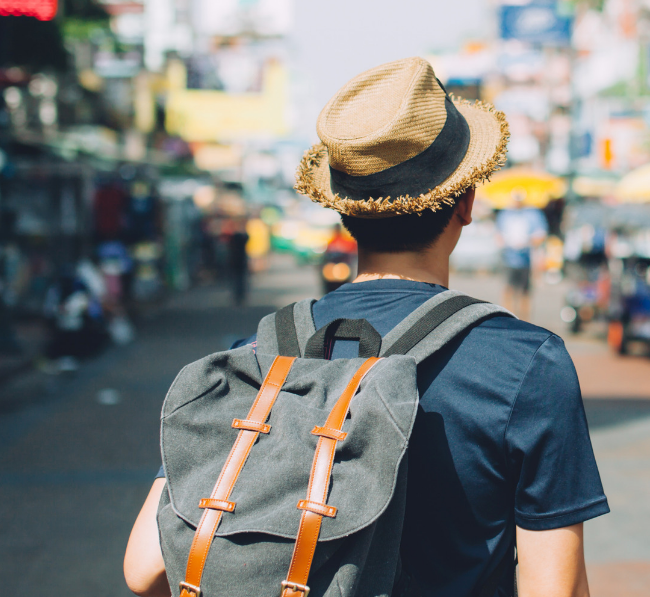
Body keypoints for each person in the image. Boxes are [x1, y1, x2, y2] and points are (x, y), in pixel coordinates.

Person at [124, 58, 607, 597]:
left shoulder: (261, 354)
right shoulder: (525, 363)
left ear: (344, 211)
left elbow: (145, 567)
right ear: (466, 202)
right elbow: (555, 589)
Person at [495, 188, 547, 321]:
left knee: (525, 292)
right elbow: (498, 235)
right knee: (509, 290)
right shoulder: (505, 214)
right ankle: (508, 319)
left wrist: (527, 241)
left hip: (526, 259)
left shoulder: (533, 214)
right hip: (509, 258)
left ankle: (524, 321)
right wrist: (507, 242)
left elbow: (541, 234)